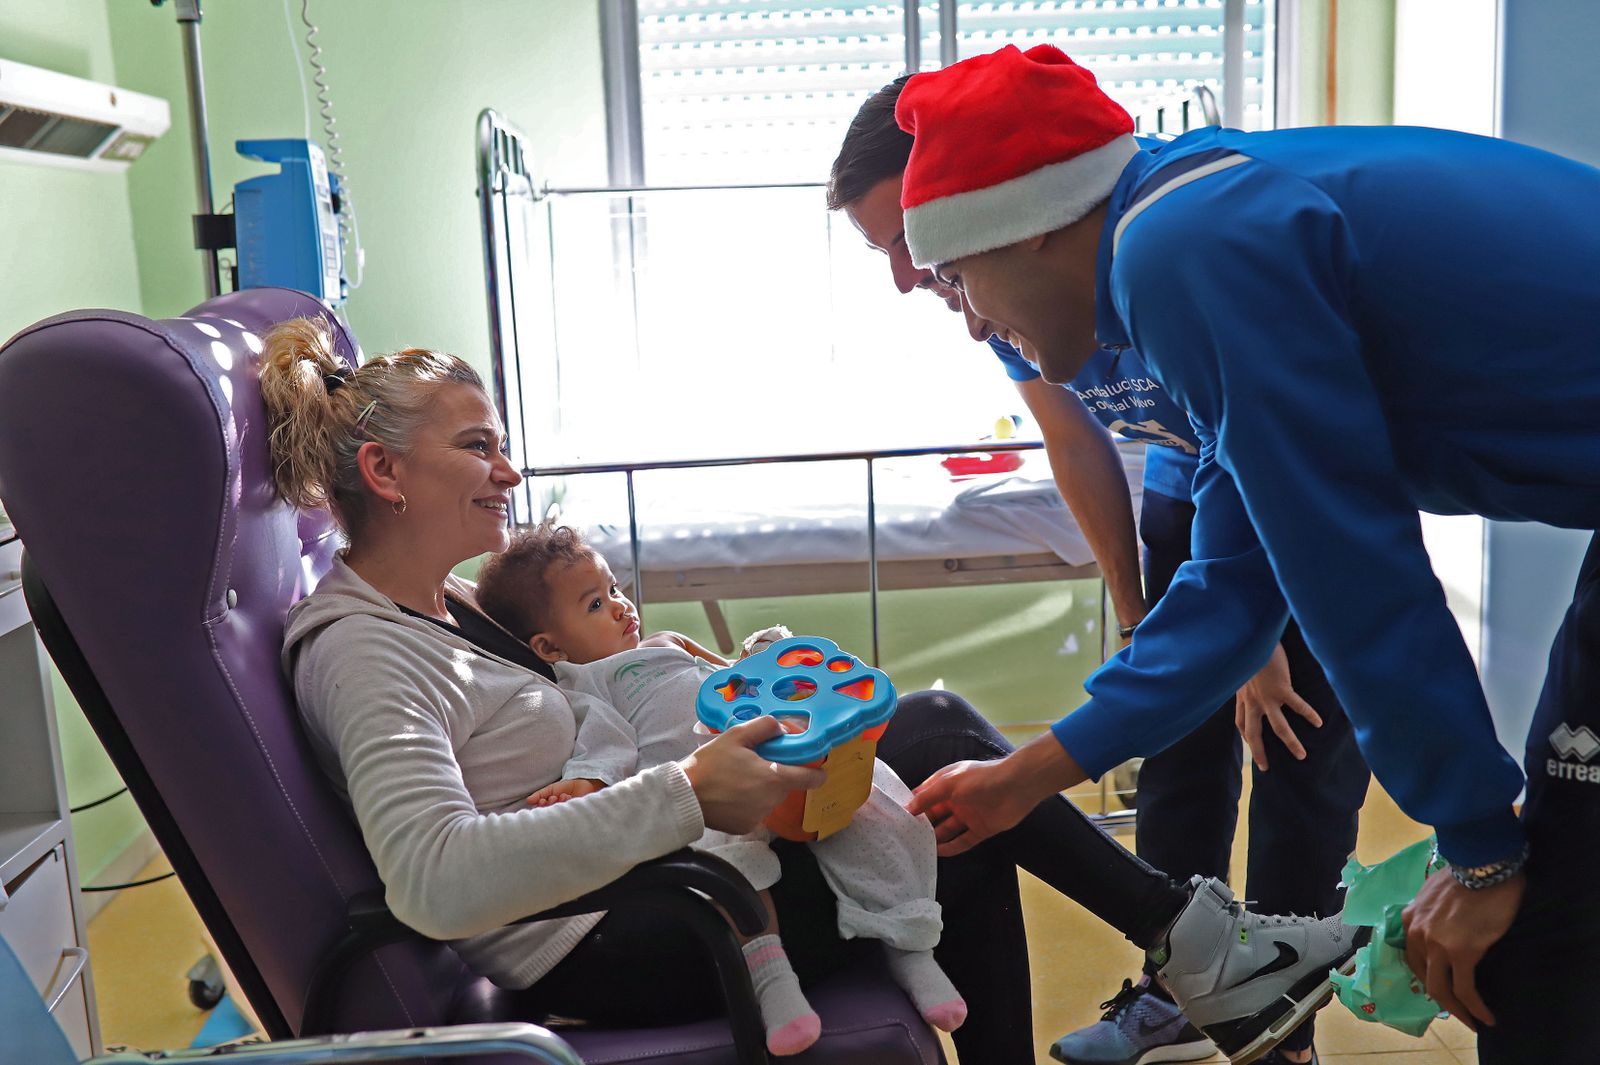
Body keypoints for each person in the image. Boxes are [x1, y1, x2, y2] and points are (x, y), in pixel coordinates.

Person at [258, 314, 1361, 1065]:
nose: (507, 470)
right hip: (623, 927)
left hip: (649, 869)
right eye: (477, 446)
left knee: (930, 741)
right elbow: (435, 883)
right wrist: (690, 789)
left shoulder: (447, 607)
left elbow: (570, 716)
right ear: (387, 475)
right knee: (950, 818)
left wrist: (674, 683)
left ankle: (1198, 946)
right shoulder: (362, 650)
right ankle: (1205, 949)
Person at [889, 43, 1600, 1065]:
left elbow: (1356, 571)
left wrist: (1478, 848)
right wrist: (1030, 774)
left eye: (956, 278)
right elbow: (1234, 577)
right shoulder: (1187, 230)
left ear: (1033, 223)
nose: (969, 323)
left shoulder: (1180, 251)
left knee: (1536, 935)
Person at [826, 75, 1371, 1065]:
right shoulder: (988, 289)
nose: (904, 277)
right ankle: (1175, 991)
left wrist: (1244, 639)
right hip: (1186, 476)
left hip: (1289, 474)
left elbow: (1264, 457)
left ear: (963, 190)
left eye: (899, 242)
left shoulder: (1140, 254)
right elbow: (1073, 441)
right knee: (1176, 748)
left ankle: (1281, 1017)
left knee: (1302, 749)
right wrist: (1139, 609)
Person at [473, 523, 967, 1056]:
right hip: (707, 797)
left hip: (772, 760)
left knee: (872, 809)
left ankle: (911, 948)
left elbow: (731, 678)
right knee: (731, 864)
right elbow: (605, 744)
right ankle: (772, 982)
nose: (620, 607)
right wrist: (585, 782)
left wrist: (770, 660)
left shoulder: (663, 644)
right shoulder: (584, 685)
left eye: (614, 589)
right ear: (550, 645)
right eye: (594, 605)